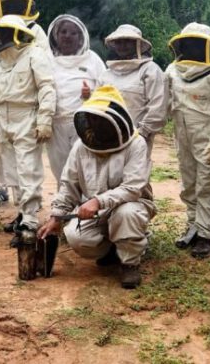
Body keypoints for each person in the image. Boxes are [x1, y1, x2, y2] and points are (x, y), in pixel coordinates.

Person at [37, 85, 155, 289]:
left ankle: (130, 261)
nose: (95, 124)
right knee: (76, 236)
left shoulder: (136, 144)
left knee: (125, 214)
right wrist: (56, 216)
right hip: (97, 210)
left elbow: (133, 188)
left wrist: (98, 200)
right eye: (92, 119)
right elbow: (69, 185)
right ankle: (113, 250)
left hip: (132, 204)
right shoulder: (81, 147)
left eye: (100, 119)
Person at [0, 15, 56, 234]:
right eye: (0, 32)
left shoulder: (35, 55)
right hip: (3, 118)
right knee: (11, 170)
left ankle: (31, 218)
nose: (2, 36)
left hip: (27, 114)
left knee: (27, 168)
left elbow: (46, 87)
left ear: (18, 33)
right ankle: (22, 213)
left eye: (7, 31)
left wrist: (45, 120)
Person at [165, 23, 210, 258]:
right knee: (189, 183)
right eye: (188, 42)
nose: (191, 46)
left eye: (196, 43)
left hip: (207, 135)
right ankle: (193, 226)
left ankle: (206, 235)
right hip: (181, 134)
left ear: (207, 46)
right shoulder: (173, 69)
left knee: (207, 185)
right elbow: (164, 100)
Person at [45, 14, 106, 185]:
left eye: (73, 33)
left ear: (81, 38)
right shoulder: (46, 60)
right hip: (56, 123)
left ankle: (85, 206)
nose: (67, 36)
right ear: (55, 36)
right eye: (63, 32)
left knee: (85, 165)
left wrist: (91, 94)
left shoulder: (93, 59)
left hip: (86, 122)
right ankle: (65, 206)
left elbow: (107, 89)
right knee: (60, 168)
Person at [98, 24, 168, 157]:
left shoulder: (150, 70)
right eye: (119, 42)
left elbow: (158, 107)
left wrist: (142, 132)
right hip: (109, 138)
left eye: (127, 41)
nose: (123, 45)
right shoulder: (106, 75)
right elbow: (98, 105)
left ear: (137, 44)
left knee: (136, 176)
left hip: (139, 138)